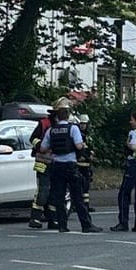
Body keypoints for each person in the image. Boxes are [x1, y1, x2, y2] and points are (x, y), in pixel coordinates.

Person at [41, 99, 97, 233]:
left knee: (59, 197)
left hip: (56, 167)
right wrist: (83, 147)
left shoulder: (51, 130)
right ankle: (86, 225)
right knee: (77, 196)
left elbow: (43, 148)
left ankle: (62, 225)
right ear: (68, 116)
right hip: (70, 166)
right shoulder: (73, 129)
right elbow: (78, 145)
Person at [27, 113, 55, 229]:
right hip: (41, 161)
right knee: (42, 190)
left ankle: (53, 219)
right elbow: (32, 139)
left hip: (56, 163)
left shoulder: (65, 125)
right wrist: (41, 145)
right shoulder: (43, 123)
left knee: (54, 191)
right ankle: (35, 218)